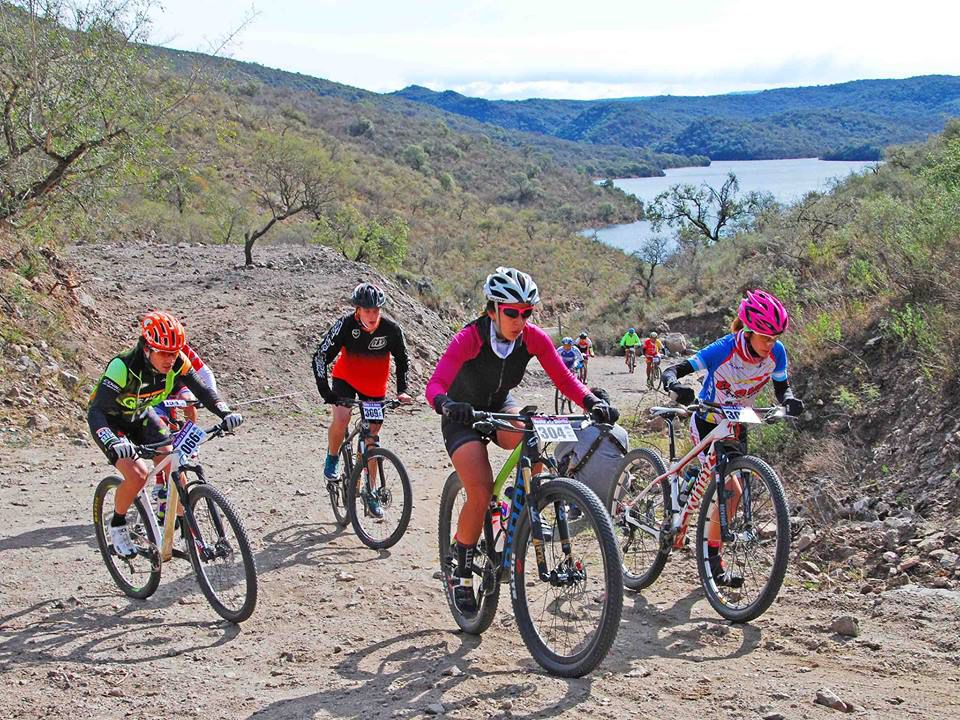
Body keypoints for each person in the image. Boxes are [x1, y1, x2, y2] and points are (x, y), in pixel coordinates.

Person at [425, 266, 619, 617]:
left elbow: (563, 378)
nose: (520, 320)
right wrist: (447, 405)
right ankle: (462, 568)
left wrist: (592, 402)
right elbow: (435, 385)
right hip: (462, 416)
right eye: (512, 312)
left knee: (535, 430)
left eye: (527, 313)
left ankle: (525, 502)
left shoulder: (532, 337)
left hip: (498, 407)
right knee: (481, 492)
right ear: (493, 310)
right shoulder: (470, 338)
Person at [660, 289, 804, 587]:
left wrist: (789, 400)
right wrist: (674, 384)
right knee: (732, 491)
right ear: (749, 332)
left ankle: (694, 479)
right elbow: (677, 368)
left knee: (731, 493)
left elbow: (782, 387)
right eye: (766, 337)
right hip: (709, 422)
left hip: (738, 424)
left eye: (775, 338)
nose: (771, 344)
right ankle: (714, 564)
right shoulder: (724, 348)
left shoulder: (776, 353)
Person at [88, 311, 243, 558]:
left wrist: (225, 412)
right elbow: (97, 411)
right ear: (148, 348)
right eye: (164, 353)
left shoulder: (177, 361)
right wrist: (112, 441)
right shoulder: (122, 366)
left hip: (140, 415)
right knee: (138, 474)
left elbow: (202, 391)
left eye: (174, 353)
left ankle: (186, 531)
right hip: (110, 420)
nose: (170, 359)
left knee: (174, 464)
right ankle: (117, 524)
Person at [312, 282, 413, 518]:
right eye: (367, 310)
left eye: (376, 310)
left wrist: (403, 390)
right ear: (358, 310)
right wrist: (326, 391)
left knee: (371, 439)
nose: (372, 315)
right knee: (342, 416)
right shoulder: (345, 325)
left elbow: (402, 359)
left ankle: (370, 491)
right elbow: (320, 356)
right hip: (345, 380)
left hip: (374, 387)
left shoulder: (391, 329)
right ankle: (333, 457)